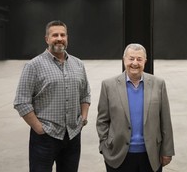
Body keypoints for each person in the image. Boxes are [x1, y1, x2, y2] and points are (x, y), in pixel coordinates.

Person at [14, 20, 91, 172]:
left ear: (67, 38)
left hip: (73, 135)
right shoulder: (33, 66)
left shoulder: (78, 64)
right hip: (45, 137)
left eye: (63, 35)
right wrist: (39, 128)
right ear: (47, 39)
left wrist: (83, 118)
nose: (59, 38)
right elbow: (21, 102)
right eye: (55, 35)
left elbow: (85, 94)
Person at [96, 43, 175, 172]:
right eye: (131, 58)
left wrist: (167, 150)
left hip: (151, 155)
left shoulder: (158, 84)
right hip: (118, 155)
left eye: (139, 59)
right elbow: (102, 120)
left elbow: (165, 120)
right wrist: (104, 146)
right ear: (124, 59)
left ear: (145, 61)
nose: (135, 63)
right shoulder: (108, 85)